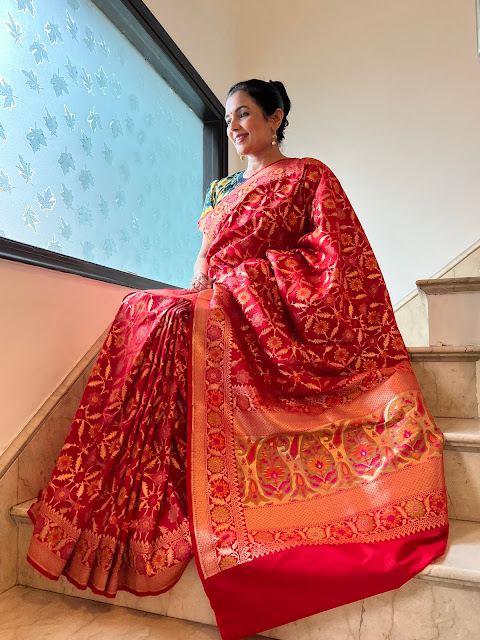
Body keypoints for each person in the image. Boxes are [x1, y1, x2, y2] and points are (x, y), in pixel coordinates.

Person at [27, 79, 448, 640]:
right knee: (144, 308)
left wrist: (249, 282)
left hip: (258, 311)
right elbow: (202, 261)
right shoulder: (220, 189)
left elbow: (335, 261)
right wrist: (208, 288)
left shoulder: (307, 175)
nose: (234, 127)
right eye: (229, 119)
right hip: (218, 306)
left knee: (171, 314)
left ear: (276, 119)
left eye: (246, 114)